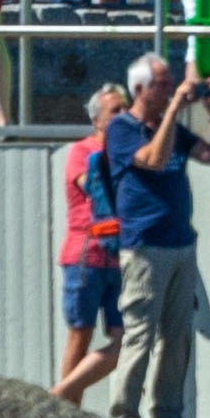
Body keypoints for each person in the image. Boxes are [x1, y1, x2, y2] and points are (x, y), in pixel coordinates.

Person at [94, 49, 210, 418]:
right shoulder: (121, 129)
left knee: (177, 335)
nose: (169, 90)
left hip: (181, 244)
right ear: (139, 89)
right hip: (145, 247)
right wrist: (174, 110)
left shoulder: (173, 127)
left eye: (170, 83)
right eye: (161, 84)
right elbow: (151, 158)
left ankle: (169, 415)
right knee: (139, 335)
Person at [49, 121, 123, 403]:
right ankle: (69, 412)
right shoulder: (82, 150)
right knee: (79, 337)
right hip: (85, 256)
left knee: (126, 343)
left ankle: (57, 397)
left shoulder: (126, 148)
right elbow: (93, 185)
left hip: (119, 257)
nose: (122, 116)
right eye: (114, 111)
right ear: (96, 120)